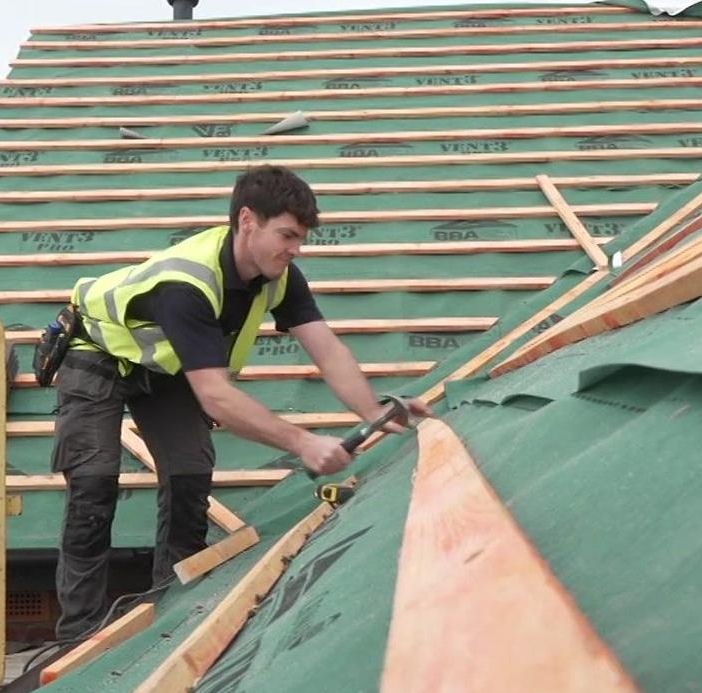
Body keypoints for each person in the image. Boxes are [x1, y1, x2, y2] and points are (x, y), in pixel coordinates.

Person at [49, 164, 432, 640]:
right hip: (100, 355)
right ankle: (77, 636)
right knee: (94, 486)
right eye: (287, 235)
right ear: (247, 221)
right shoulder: (185, 285)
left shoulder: (281, 277)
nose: (296, 249)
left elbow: (327, 349)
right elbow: (214, 395)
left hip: (164, 367)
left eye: (302, 239)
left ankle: (171, 614)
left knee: (190, 472)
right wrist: (302, 442)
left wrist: (374, 411)